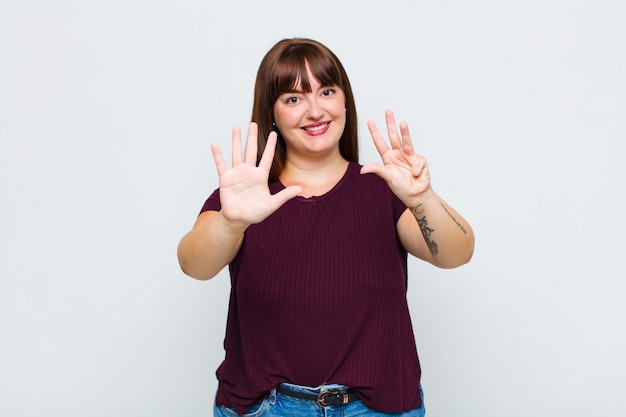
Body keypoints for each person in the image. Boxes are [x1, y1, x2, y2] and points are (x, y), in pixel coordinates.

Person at [177, 38, 474, 416]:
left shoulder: (383, 190)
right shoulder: (245, 197)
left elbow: (457, 253)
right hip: (267, 408)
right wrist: (232, 222)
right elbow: (193, 265)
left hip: (376, 408)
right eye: (293, 98)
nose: (315, 111)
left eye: (327, 91)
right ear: (272, 112)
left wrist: (422, 198)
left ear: (344, 100)